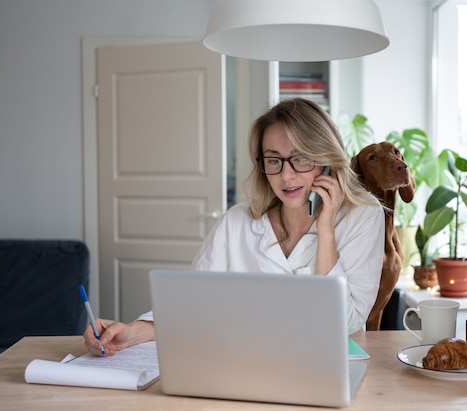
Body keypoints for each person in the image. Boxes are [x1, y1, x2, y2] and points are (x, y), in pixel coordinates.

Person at [84, 98, 385, 357]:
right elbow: (191, 304)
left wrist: (327, 230)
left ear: (327, 161)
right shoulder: (237, 222)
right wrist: (132, 332)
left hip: (327, 367)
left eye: (301, 158)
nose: (286, 176)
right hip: (243, 364)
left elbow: (343, 322)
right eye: (274, 161)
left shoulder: (363, 216)